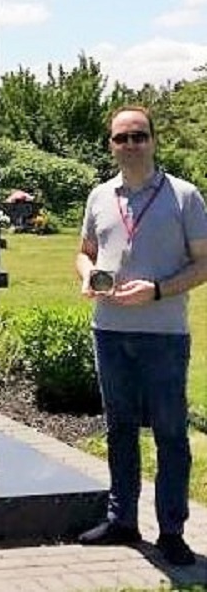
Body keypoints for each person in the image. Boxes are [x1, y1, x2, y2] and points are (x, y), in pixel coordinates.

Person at [75, 105, 207, 567]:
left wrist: (155, 291)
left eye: (138, 136)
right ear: (110, 145)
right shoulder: (99, 196)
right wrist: (87, 273)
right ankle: (123, 520)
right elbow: (85, 251)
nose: (130, 145)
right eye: (121, 138)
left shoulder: (184, 196)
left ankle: (171, 531)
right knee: (119, 431)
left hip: (164, 335)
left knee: (171, 435)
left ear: (153, 140)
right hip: (109, 332)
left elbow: (204, 264)